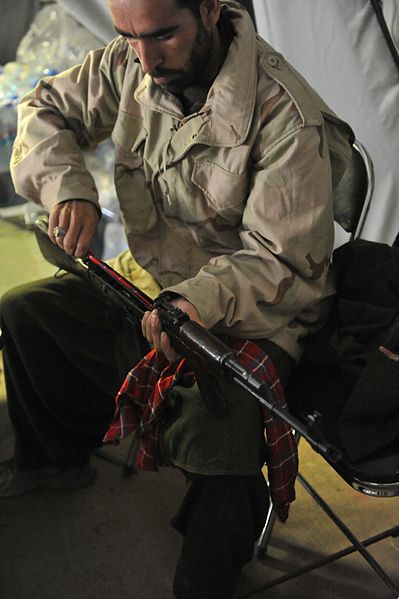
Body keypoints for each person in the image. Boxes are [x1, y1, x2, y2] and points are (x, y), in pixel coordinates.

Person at [0, 1, 354, 597]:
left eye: (163, 34)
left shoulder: (287, 116)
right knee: (26, 315)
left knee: (222, 426)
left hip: (255, 309)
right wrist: (70, 190)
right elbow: (45, 106)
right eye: (128, 36)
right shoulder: (132, 59)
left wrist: (194, 302)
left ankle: (208, 576)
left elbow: (281, 263)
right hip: (148, 283)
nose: (144, 55)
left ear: (212, 10)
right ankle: (54, 459)